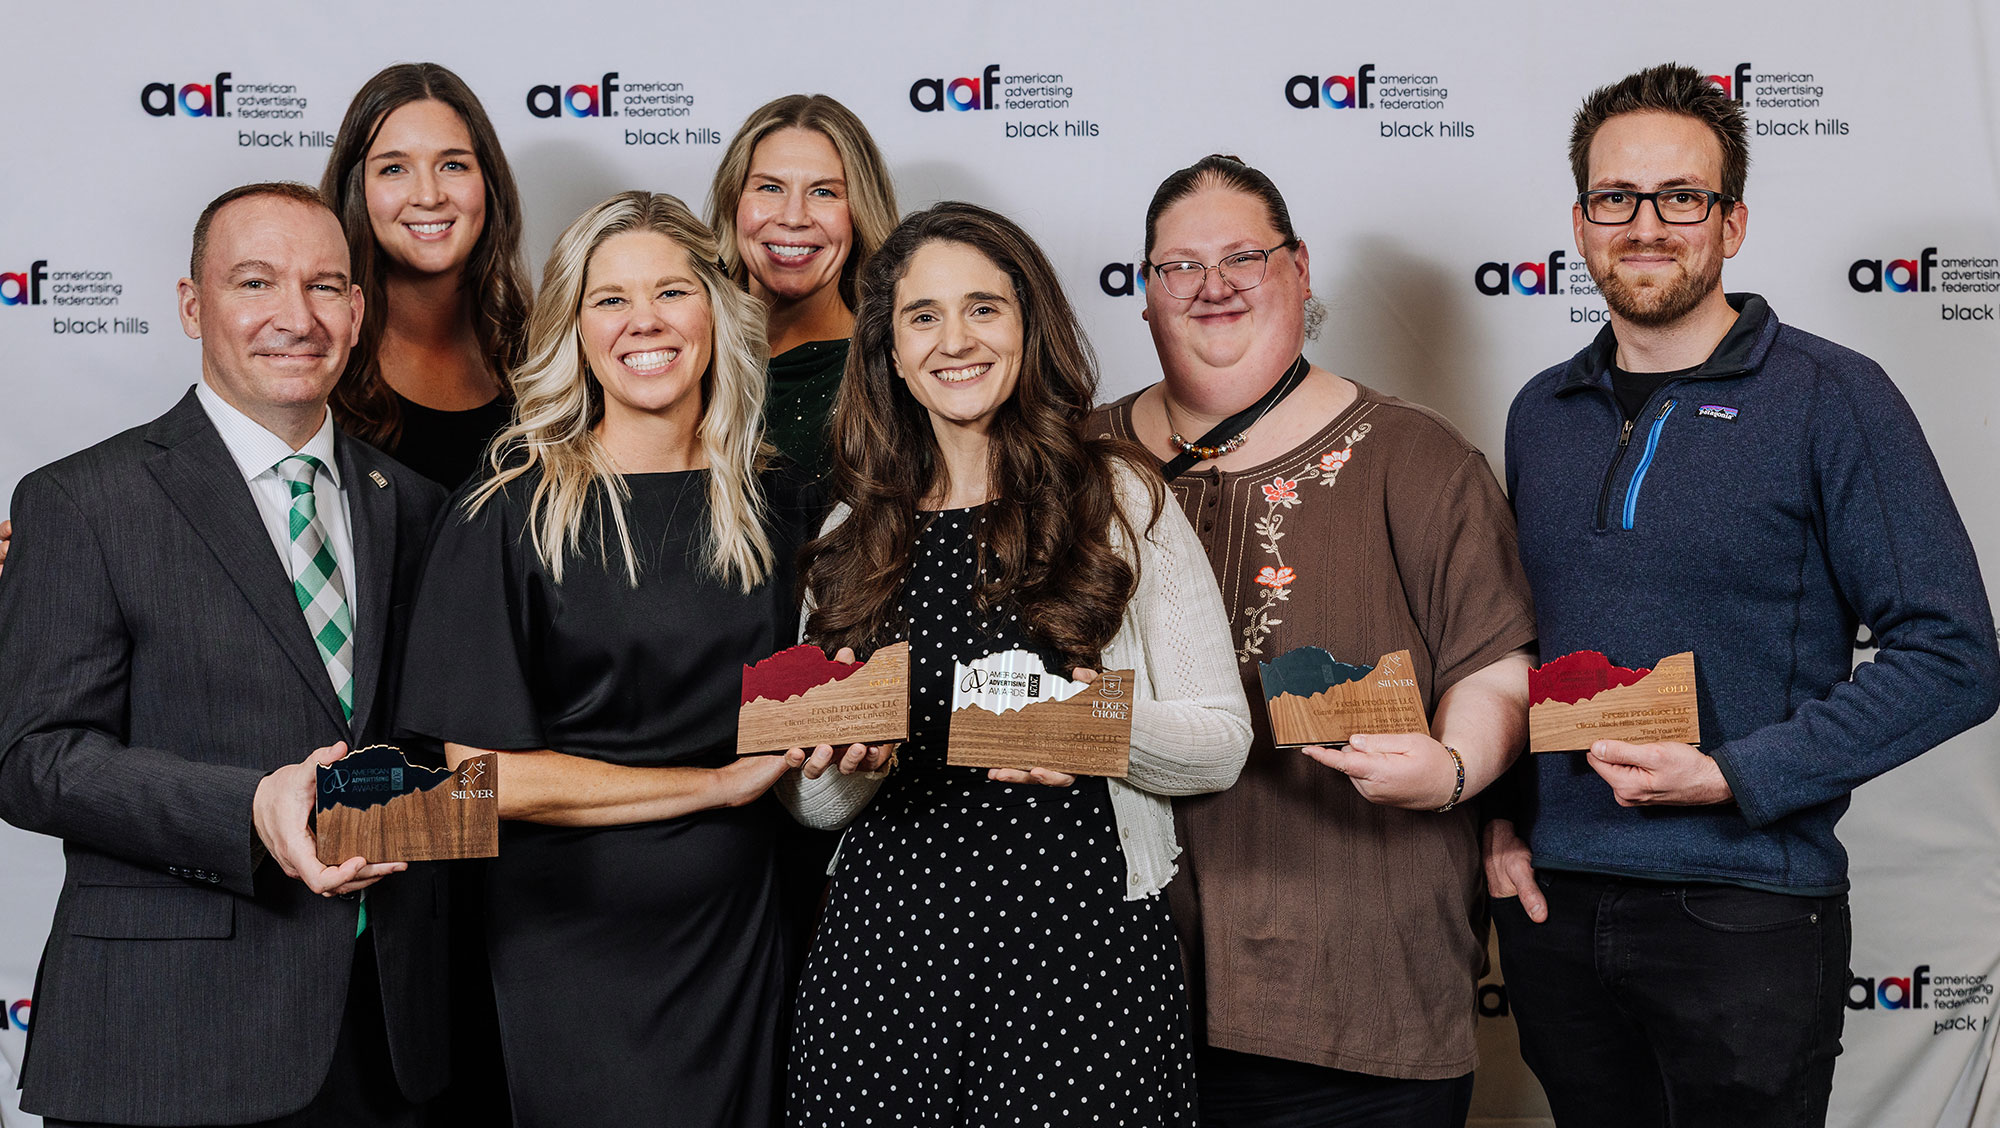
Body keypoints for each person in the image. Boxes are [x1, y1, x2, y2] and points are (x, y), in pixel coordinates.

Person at [1488, 63, 2000, 1127]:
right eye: (1614, 198)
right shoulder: (1540, 411)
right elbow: (1510, 645)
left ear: (1731, 223)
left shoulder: (1831, 398)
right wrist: (1498, 825)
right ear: (1578, 221)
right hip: (1555, 903)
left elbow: (1950, 655)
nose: (1644, 225)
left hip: (1741, 914)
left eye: (1681, 197)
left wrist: (1732, 774)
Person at [780, 201, 1253, 1127]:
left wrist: (1093, 732)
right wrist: (847, 767)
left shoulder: (1119, 496)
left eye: (983, 308)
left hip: (1082, 965)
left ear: (1029, 324)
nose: (955, 340)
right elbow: (810, 802)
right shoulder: (848, 535)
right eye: (923, 317)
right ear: (889, 351)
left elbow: (1222, 743)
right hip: (883, 969)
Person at [1093, 155, 1537, 1127]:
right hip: (1114, 999)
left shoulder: (1417, 460)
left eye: (1242, 257)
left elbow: (1495, 662)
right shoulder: (1074, 465)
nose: (1212, 286)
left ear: (1298, 269)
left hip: (1358, 993)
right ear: (1142, 294)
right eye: (1179, 266)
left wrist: (1455, 766)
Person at [0, 182, 448, 1126]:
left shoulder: (415, 507)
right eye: (256, 282)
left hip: (387, 1041)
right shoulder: (83, 501)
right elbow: (34, 759)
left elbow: (436, 743)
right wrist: (248, 806)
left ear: (359, 313)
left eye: (327, 286)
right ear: (192, 305)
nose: (297, 316)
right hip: (165, 1042)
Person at [395, 190, 820, 1127]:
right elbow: (483, 777)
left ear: (716, 308)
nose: (646, 324)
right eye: (609, 299)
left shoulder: (776, 501)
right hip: (571, 941)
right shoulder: (506, 511)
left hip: (744, 930)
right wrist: (712, 787)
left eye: (672, 291)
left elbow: (816, 705)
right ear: (574, 329)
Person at [321, 62, 531, 489]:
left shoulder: (543, 356)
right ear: (356, 189)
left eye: (453, 165)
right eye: (394, 169)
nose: (429, 195)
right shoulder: (316, 357)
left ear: (489, 181)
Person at [707, 93, 899, 480]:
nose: (793, 217)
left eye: (824, 192)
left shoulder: (892, 369)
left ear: (859, 212)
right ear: (734, 201)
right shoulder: (682, 350)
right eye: (769, 188)